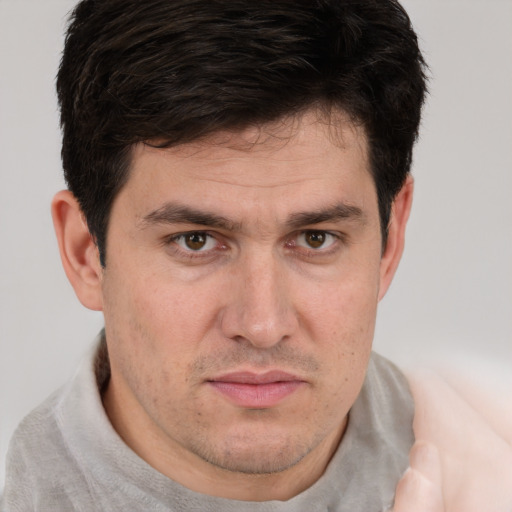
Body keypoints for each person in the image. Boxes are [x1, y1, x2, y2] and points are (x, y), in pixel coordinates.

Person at [1, 1, 511, 511]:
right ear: (86, 252)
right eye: (195, 240)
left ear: (389, 240)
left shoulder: (492, 458)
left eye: (316, 239)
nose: (262, 324)